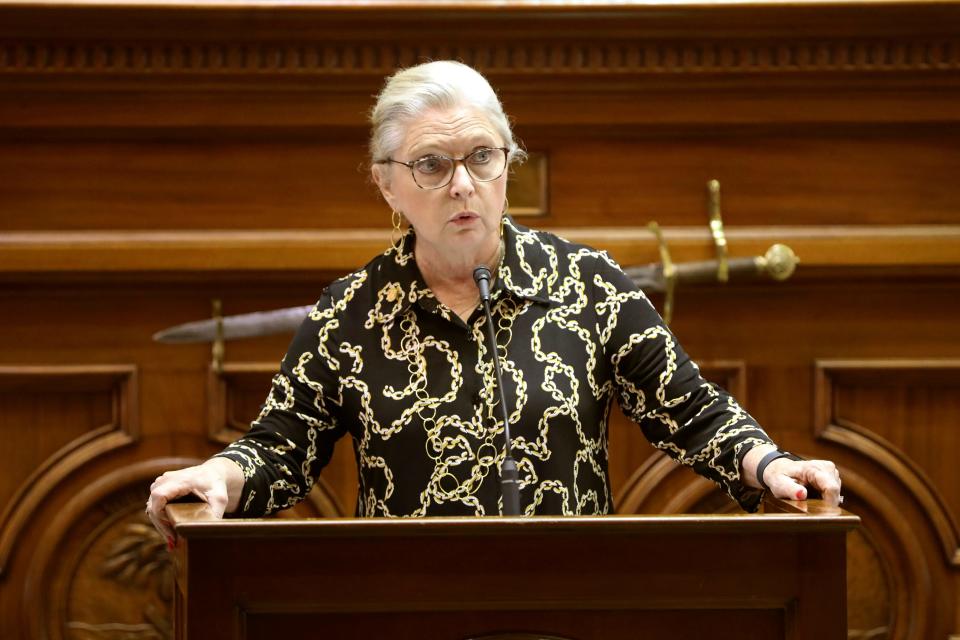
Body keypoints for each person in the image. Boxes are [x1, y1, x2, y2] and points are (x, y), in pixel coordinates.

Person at [146, 60, 841, 543]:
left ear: (508, 163)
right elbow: (282, 446)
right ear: (388, 185)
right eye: (431, 164)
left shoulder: (587, 284)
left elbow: (690, 411)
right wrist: (219, 477)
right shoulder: (351, 313)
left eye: (483, 156)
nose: (462, 185)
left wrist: (771, 464)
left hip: (569, 600)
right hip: (403, 605)